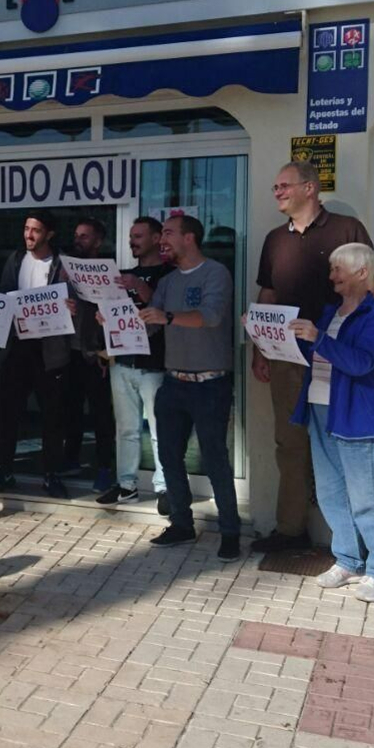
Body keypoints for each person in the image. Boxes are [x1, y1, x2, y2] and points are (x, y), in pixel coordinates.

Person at [251, 161, 373, 553]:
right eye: (274, 188)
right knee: (290, 444)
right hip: (286, 356)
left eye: (283, 185)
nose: (277, 193)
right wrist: (260, 347)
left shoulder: (346, 230)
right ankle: (291, 531)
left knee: (343, 445)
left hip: (335, 354)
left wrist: (365, 349)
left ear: (309, 188)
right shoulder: (274, 239)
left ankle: (356, 541)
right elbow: (267, 295)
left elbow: (371, 290)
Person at [287, 243, 374, 604]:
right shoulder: (330, 312)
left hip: (359, 418)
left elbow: (361, 361)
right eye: (332, 268)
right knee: (331, 492)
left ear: (362, 273)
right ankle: (348, 560)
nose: (332, 275)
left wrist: (318, 338)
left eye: (338, 269)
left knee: (367, 497)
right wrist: (274, 336)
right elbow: (315, 354)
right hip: (321, 409)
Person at [141, 215, 240, 558]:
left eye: (168, 234)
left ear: (190, 238)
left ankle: (230, 531)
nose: (162, 240)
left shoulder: (216, 274)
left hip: (210, 384)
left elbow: (209, 316)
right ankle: (181, 524)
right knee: (169, 456)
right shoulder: (167, 282)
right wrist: (116, 318)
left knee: (215, 459)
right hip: (173, 383)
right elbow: (150, 325)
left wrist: (167, 317)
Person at [98, 217, 175, 512]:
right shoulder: (124, 274)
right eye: (131, 236)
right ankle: (127, 485)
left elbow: (166, 311)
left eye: (139, 236)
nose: (132, 241)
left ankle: (165, 487)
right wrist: (104, 318)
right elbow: (116, 310)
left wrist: (141, 287)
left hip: (153, 363)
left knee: (158, 429)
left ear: (157, 238)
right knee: (127, 429)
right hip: (122, 360)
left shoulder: (168, 273)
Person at [0, 212, 70, 498]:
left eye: (36, 230)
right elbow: (2, 297)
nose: (29, 235)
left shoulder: (63, 264)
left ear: (49, 234)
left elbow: (79, 301)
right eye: (26, 228)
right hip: (18, 346)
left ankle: (51, 474)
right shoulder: (15, 260)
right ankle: (3, 469)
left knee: (52, 416)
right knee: (8, 411)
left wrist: (71, 308)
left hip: (50, 349)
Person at [62, 218, 116, 491]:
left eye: (84, 236)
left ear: (98, 242)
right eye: (76, 235)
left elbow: (116, 312)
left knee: (101, 414)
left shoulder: (108, 272)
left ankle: (105, 466)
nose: (78, 240)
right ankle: (71, 459)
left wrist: (106, 352)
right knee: (70, 409)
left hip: (96, 352)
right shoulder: (65, 270)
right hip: (69, 350)